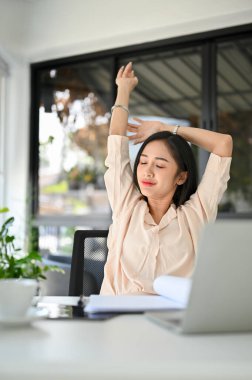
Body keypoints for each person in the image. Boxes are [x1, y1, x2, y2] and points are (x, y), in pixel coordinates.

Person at [100, 62, 233, 295]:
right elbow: (116, 141)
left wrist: (168, 128)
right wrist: (123, 89)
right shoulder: (126, 205)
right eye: (143, 162)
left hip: (172, 321)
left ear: (181, 177)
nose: (147, 172)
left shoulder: (196, 214)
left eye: (160, 165)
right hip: (117, 316)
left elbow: (223, 144)